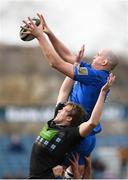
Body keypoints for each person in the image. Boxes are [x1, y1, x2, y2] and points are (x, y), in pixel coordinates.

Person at [28, 74, 115, 178]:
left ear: (69, 118)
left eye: (63, 110)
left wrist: (103, 92)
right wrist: (74, 69)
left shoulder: (70, 134)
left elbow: (92, 122)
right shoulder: (54, 122)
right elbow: (64, 91)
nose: (59, 110)